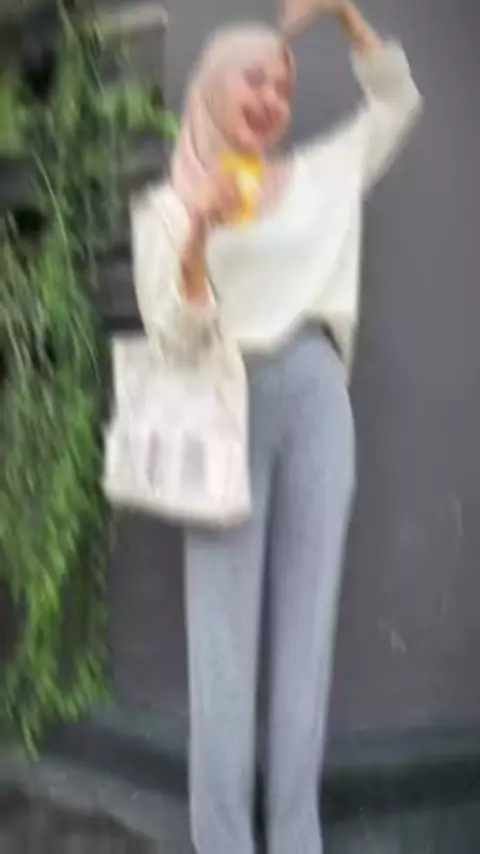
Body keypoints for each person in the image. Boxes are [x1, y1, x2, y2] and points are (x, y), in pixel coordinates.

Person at [131, 1, 422, 852]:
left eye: (283, 86)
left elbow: (398, 103)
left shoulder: (326, 172)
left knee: (307, 636)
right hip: (221, 399)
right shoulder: (166, 208)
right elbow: (173, 335)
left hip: (317, 399)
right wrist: (200, 233)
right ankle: (222, 839)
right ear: (212, 88)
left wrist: (342, 14)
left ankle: (296, 836)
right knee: (221, 647)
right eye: (253, 80)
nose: (270, 98)